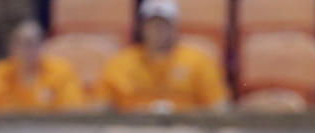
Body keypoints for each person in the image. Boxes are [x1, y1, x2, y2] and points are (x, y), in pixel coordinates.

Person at [92, 0, 229, 113]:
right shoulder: (120, 63)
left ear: (175, 26)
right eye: (152, 23)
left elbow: (219, 108)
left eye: (164, 23)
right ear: (142, 27)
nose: (158, 29)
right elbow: (100, 109)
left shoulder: (198, 61)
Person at [0, 19, 85, 114]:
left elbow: (73, 113)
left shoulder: (60, 71)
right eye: (22, 43)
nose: (28, 50)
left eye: (33, 43)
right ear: (11, 46)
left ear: (43, 45)